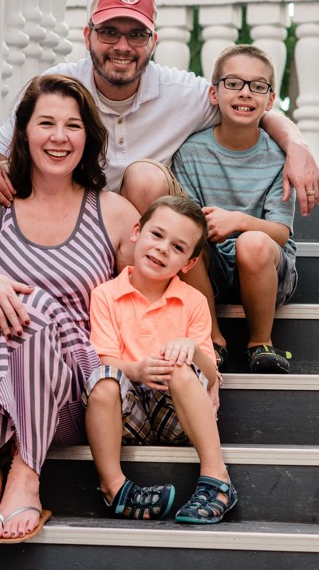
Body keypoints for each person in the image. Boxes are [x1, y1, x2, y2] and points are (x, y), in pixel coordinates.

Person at [0, 74, 139, 543]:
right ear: (23, 132)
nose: (59, 137)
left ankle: (26, 475)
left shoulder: (113, 211)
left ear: (89, 137)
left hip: (64, 398)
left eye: (73, 125)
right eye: (45, 123)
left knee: (36, 308)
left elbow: (143, 297)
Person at [0, 0, 319, 217]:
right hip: (73, 218)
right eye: (109, 32)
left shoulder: (183, 93)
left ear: (154, 42)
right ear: (88, 35)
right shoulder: (56, 88)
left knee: (145, 177)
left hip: (146, 231)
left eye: (136, 34)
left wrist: (297, 145)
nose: (122, 47)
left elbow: (249, 109)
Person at [84, 195, 236, 525]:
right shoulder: (106, 295)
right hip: (127, 415)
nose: (163, 248)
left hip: (176, 415)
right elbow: (104, 359)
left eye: (178, 247)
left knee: (183, 369)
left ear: (188, 263)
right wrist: (137, 369)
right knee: (103, 379)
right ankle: (114, 486)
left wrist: (193, 349)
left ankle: (217, 478)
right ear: (137, 231)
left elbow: (210, 374)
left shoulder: (193, 301)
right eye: (157, 235)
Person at [173, 45, 298, 374]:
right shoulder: (191, 152)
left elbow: (281, 234)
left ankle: (260, 342)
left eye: (258, 86)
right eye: (233, 83)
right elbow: (186, 220)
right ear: (214, 93)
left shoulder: (280, 159)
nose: (245, 93)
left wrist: (239, 221)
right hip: (209, 267)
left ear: (270, 101)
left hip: (266, 267)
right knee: (187, 242)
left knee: (252, 242)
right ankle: (212, 339)